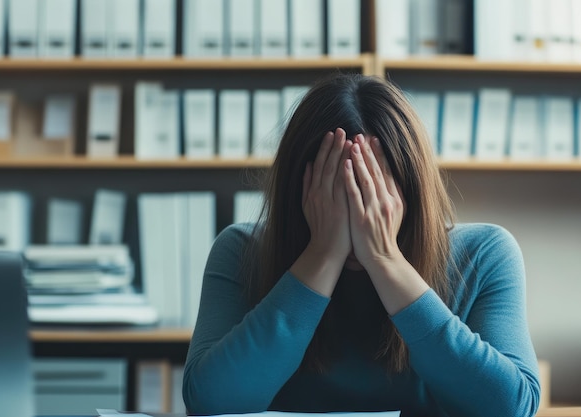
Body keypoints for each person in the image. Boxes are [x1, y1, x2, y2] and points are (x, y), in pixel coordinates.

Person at [182, 73, 541, 417]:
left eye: (371, 193)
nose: (357, 214)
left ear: (412, 191)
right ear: (299, 195)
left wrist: (385, 259)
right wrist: (322, 254)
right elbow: (210, 402)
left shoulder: (485, 254)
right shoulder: (241, 251)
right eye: (337, 196)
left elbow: (511, 407)